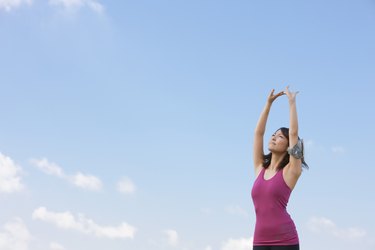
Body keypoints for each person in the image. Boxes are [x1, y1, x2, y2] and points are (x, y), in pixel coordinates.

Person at [251, 86, 308, 250]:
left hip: (285, 241)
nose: (274, 137)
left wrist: (291, 103)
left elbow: (294, 134)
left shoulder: (291, 171)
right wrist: (268, 104)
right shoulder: (260, 167)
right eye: (273, 135)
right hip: (260, 240)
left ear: (288, 145)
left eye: (280, 136)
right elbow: (258, 134)